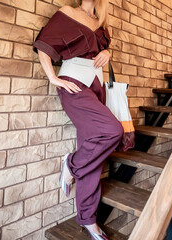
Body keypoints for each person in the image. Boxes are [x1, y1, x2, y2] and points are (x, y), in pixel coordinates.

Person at [33, 0, 124, 239]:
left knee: (92, 155)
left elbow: (99, 51)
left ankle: (88, 219)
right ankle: (72, 164)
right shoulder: (68, 13)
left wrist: (107, 52)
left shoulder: (101, 22)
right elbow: (44, 45)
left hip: (97, 88)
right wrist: (53, 78)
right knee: (113, 131)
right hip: (74, 85)